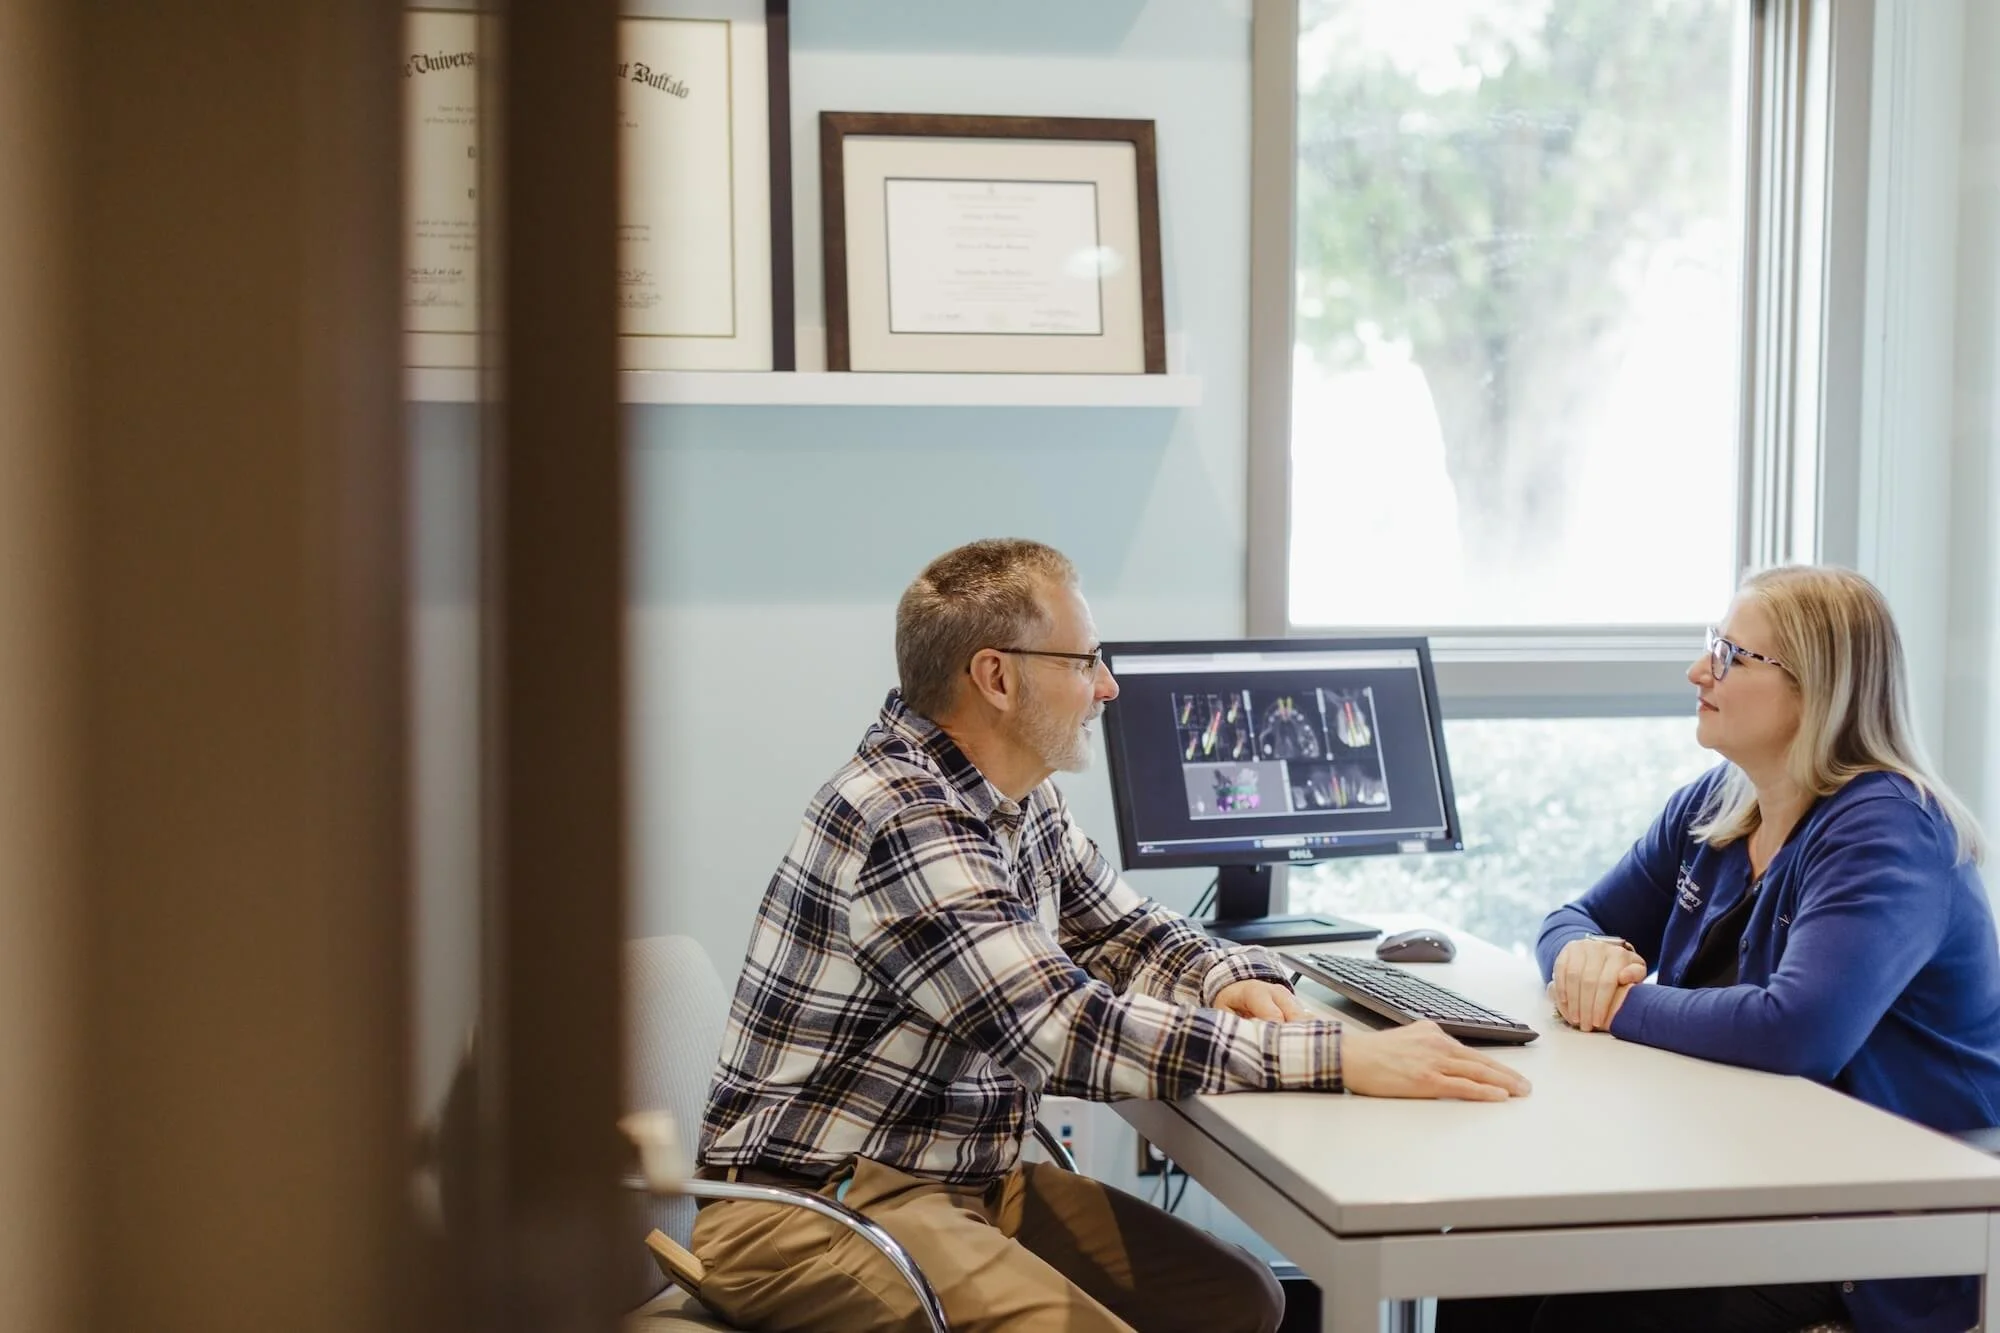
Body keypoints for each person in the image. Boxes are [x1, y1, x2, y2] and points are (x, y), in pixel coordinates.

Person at [693, 538, 1531, 1333]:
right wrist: (1339, 1055)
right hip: (813, 1208)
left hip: (958, 1179)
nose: (1108, 687)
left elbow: (1122, 930)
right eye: (1084, 660)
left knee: (1238, 1301)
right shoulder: (907, 819)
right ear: (996, 677)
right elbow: (1062, 1031)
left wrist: (1223, 975)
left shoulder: (1017, 799)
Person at [1438, 565, 2000, 1333]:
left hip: (1870, 1236)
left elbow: (1795, 1028)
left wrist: (1619, 1001)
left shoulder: (1889, 828)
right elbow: (1575, 916)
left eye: (1733, 656)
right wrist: (1580, 958)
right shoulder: (1719, 800)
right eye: (1714, 646)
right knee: (1485, 1263)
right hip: (1738, 1180)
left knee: (1582, 1316)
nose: (1700, 670)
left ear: (1817, 689)